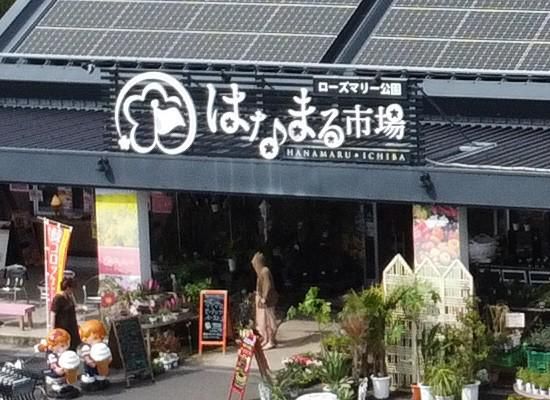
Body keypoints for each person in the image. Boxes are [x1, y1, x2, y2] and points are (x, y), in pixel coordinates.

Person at [251, 251, 279, 350]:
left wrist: (264, 297)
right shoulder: (261, 272)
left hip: (268, 301)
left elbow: (267, 285)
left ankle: (271, 341)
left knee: (269, 321)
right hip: (264, 300)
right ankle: (267, 339)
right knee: (264, 321)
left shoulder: (265, 271)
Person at [50, 278, 81, 351]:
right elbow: (53, 314)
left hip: (72, 327)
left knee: (74, 347)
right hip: (63, 328)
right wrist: (53, 330)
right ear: (67, 288)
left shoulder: (69, 296)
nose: (73, 291)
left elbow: (74, 306)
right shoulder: (58, 298)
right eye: (72, 289)